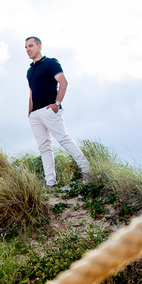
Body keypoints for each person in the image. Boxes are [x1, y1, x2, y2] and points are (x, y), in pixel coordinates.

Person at [25, 36, 90, 188]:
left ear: (39, 46)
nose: (28, 49)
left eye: (31, 46)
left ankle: (88, 170)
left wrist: (57, 104)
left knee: (63, 139)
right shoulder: (29, 71)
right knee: (44, 147)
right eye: (26, 47)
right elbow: (31, 93)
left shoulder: (50, 62)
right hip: (35, 114)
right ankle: (50, 182)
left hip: (50, 109)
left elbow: (63, 82)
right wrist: (30, 114)